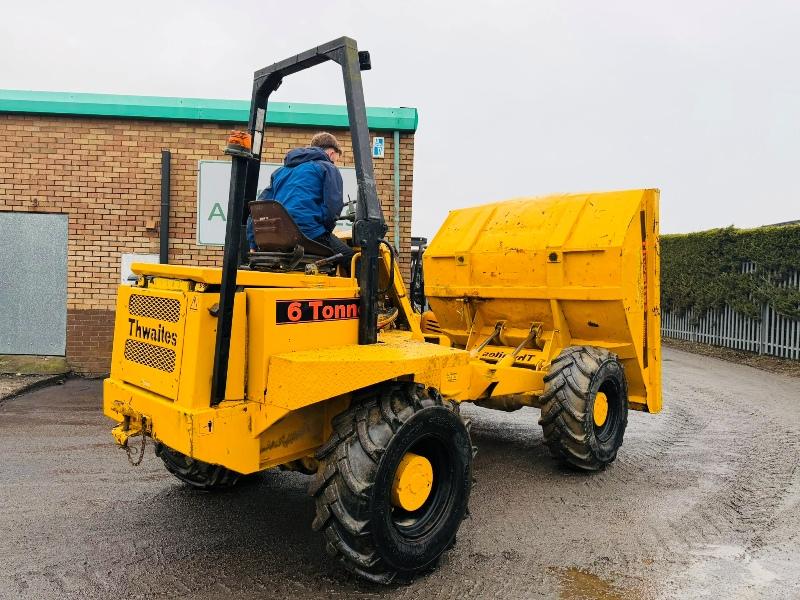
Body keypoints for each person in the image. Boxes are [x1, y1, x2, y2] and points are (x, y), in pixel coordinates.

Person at [247, 132, 355, 272]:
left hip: (278, 238)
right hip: (308, 234)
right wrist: (324, 231)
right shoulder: (328, 167)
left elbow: (257, 209)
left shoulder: (280, 172)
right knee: (352, 258)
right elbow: (332, 207)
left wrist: (253, 242)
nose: (334, 162)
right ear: (332, 153)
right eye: (336, 159)